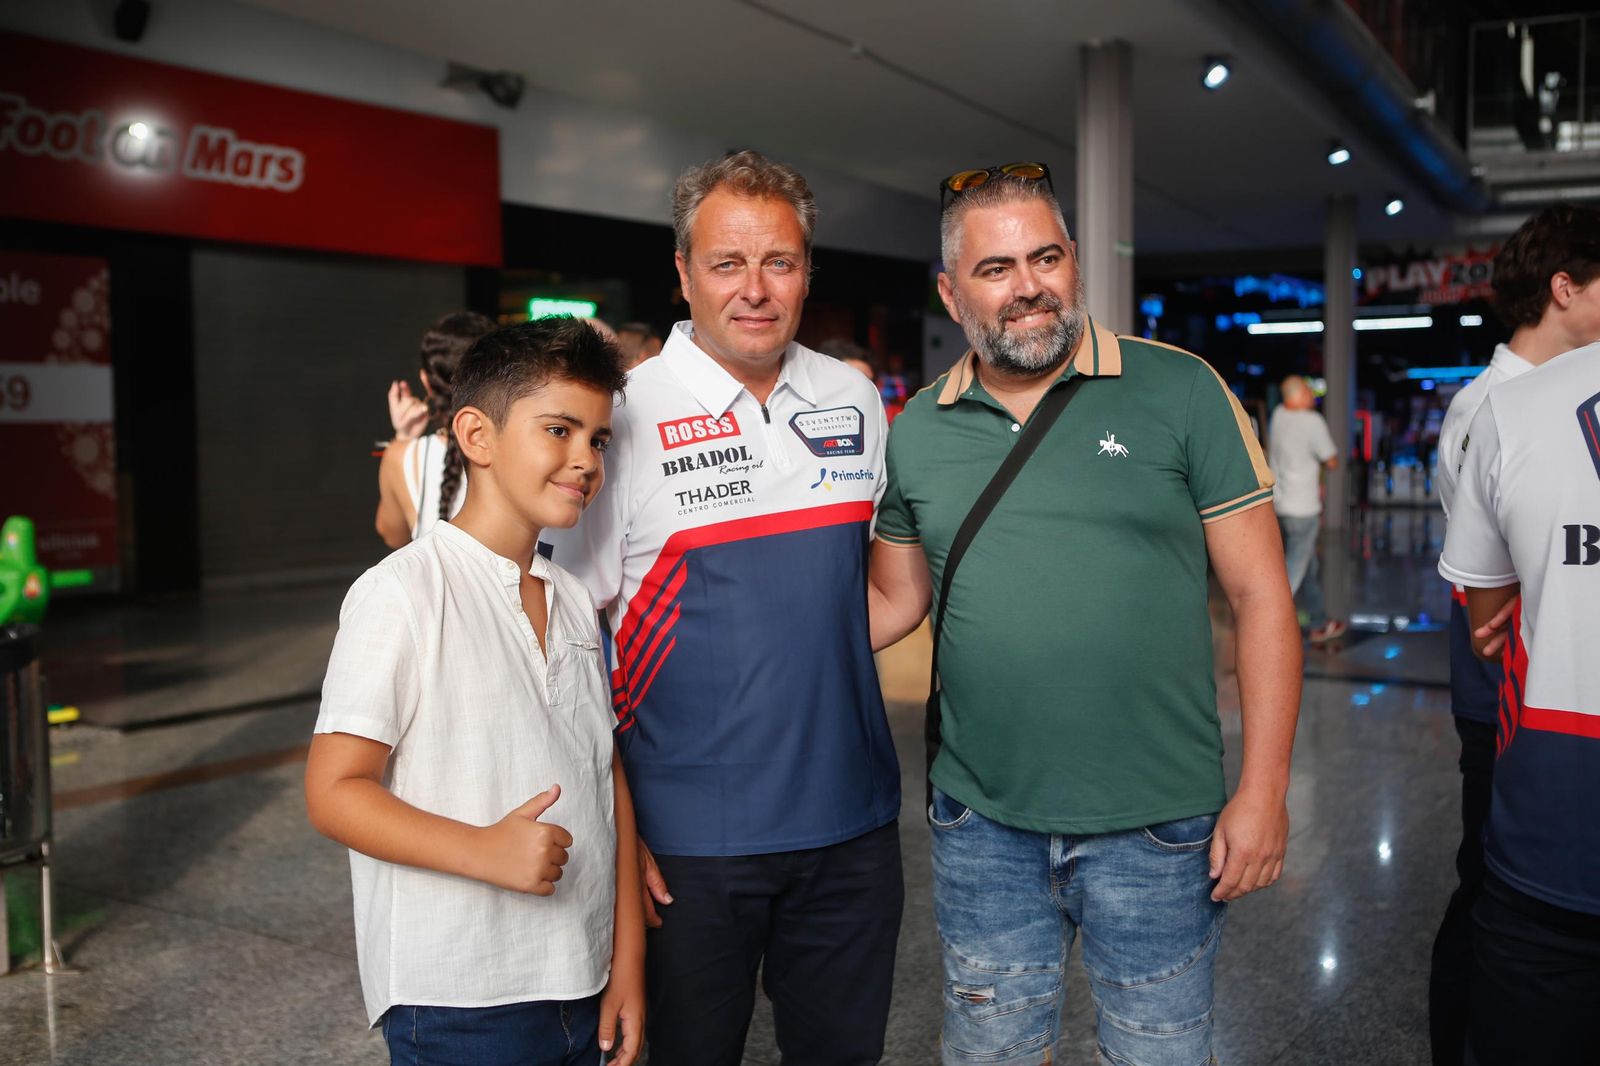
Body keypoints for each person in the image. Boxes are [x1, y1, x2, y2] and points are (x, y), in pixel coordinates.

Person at [868, 166, 1301, 1066]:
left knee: (1161, 1052)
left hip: (1157, 827)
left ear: (1075, 265)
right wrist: (746, 635)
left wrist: (1262, 793)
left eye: (1046, 257)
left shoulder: (1181, 391)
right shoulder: (915, 428)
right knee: (989, 1050)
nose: (1028, 285)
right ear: (952, 292)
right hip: (981, 822)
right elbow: (895, 599)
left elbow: (1262, 597)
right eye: (995, 268)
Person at [541, 149, 901, 1066]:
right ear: (683, 272)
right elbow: (559, 641)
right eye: (726, 263)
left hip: (851, 831)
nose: (755, 289)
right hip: (688, 846)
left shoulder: (853, 398)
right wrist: (616, 828)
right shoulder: (623, 414)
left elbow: (862, 598)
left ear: (808, 271)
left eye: (779, 261)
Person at [306, 318, 644, 1065]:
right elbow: (333, 789)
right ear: (476, 435)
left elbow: (602, 771)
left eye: (599, 439)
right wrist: (484, 851)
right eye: (559, 429)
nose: (585, 459)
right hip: (460, 999)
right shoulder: (401, 592)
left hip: (580, 979)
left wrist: (625, 964)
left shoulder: (573, 596)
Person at [1428, 203, 1600, 1066]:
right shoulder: (1487, 409)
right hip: (1508, 704)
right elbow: (1487, 608)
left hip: (1542, 701)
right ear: (1564, 288)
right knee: (1490, 894)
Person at [375, 311, 495, 548]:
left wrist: (403, 437)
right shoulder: (520, 446)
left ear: (426, 381)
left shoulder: (401, 457)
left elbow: (393, 536)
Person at [1268, 375, 1346, 643]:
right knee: (1294, 569)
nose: (1313, 396)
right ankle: (1264, 622)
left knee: (1307, 566)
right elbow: (1332, 460)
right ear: (1299, 395)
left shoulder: (1278, 415)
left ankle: (1319, 622)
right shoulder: (1312, 422)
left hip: (1281, 504)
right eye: (1308, 391)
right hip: (1304, 508)